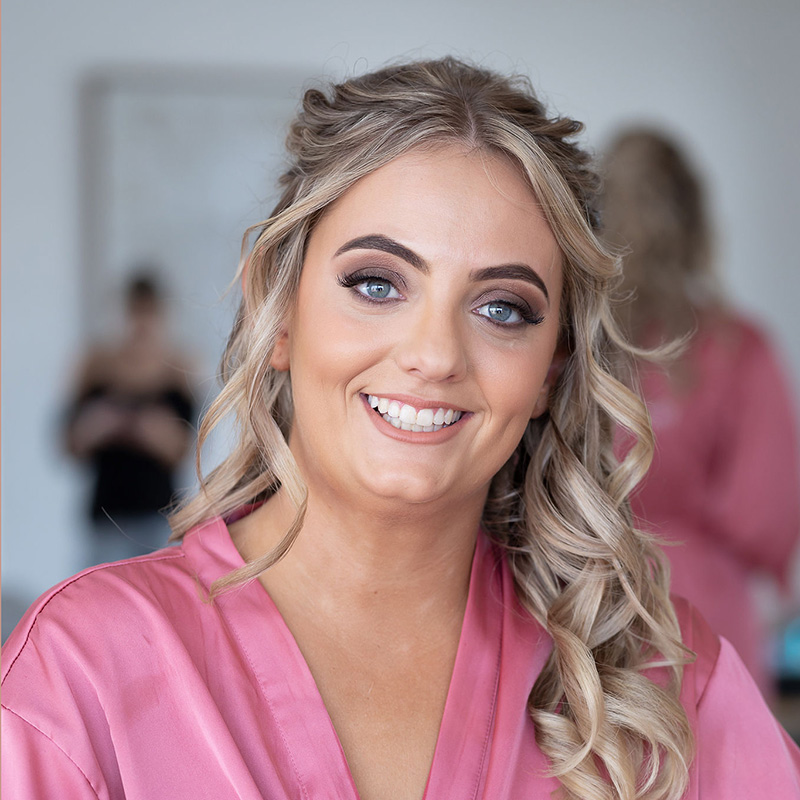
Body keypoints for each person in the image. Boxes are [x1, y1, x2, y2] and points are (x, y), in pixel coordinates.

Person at [3, 59, 799, 800]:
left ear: (551, 371)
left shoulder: (657, 687)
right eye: (377, 283)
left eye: (502, 309)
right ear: (275, 313)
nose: (433, 355)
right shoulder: (80, 674)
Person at [600, 129, 800, 697]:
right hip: (709, 617)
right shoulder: (740, 349)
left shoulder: (573, 346)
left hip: (586, 604)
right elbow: (764, 514)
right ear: (696, 223)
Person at [63, 273, 196, 566]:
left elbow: (184, 449)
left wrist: (143, 429)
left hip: (158, 515)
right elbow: (70, 443)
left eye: (147, 314)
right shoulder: (95, 368)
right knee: (99, 604)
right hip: (106, 516)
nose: (140, 325)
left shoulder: (176, 371)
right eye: (134, 313)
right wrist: (99, 426)